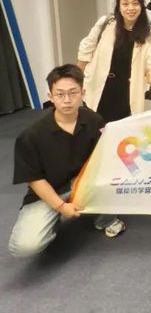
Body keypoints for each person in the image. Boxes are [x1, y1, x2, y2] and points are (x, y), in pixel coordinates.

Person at [8, 65, 124, 257]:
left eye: (73, 93)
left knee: (116, 173)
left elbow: (103, 157)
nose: (67, 100)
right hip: (50, 190)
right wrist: (60, 206)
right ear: (50, 96)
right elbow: (35, 179)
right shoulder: (31, 136)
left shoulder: (94, 120)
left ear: (83, 93)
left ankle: (104, 219)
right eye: (60, 94)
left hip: (84, 183)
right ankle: (53, 218)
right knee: (25, 247)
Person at [78, 0, 151, 121]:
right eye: (125, 4)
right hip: (100, 86)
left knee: (122, 129)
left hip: (127, 92)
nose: (130, 8)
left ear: (141, 5)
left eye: (135, 3)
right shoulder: (106, 23)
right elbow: (86, 50)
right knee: (95, 125)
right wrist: (75, 81)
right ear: (118, 6)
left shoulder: (149, 33)